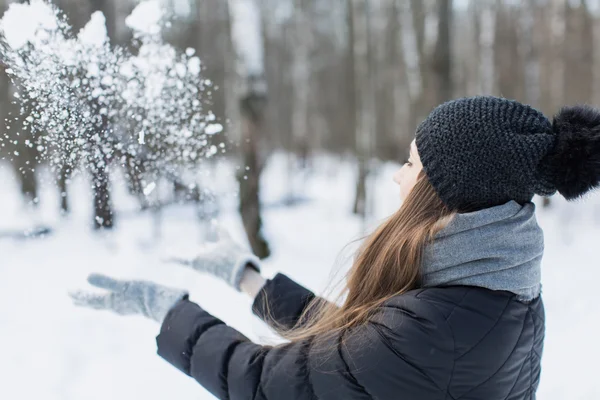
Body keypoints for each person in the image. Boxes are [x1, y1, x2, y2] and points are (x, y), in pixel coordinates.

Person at [71, 96, 600, 399]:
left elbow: (266, 384)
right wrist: (250, 281)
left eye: (413, 165)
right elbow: (358, 350)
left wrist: (167, 312)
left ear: (449, 198)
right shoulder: (495, 291)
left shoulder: (440, 325)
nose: (397, 177)